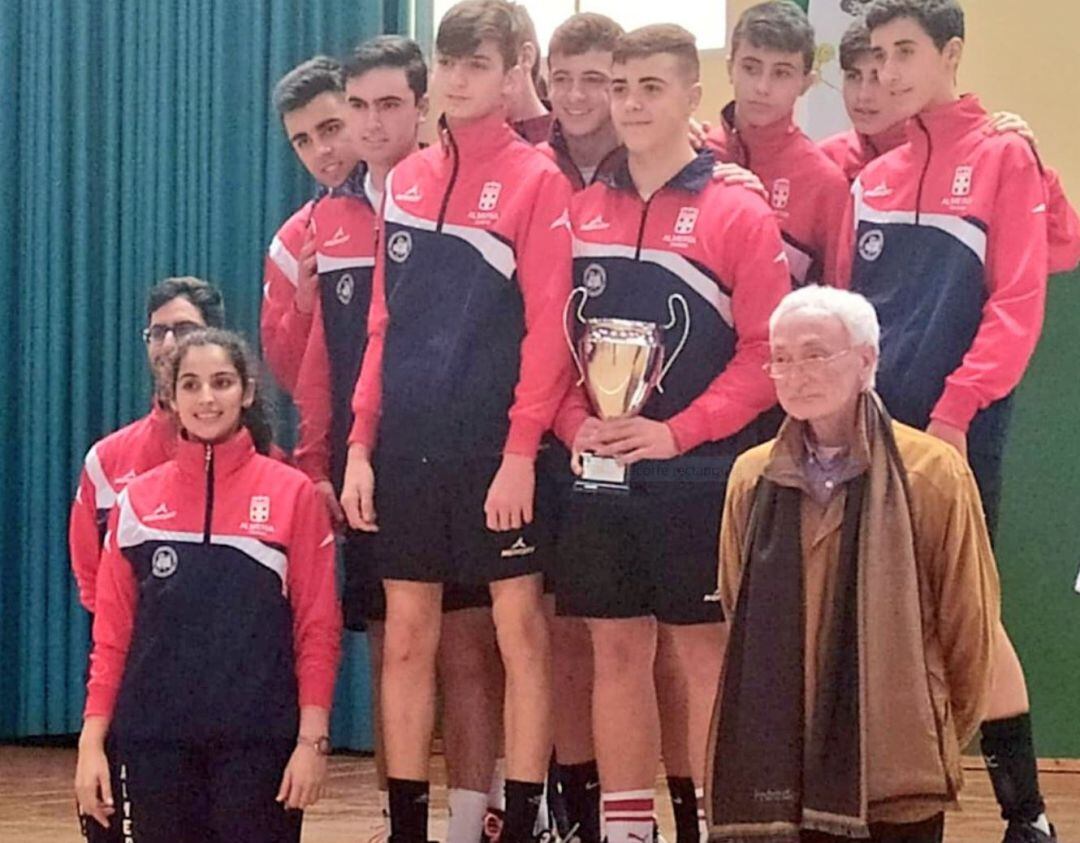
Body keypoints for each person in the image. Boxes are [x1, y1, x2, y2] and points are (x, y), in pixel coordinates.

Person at [338, 2, 574, 842]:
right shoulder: (405, 180)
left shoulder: (539, 178)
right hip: (404, 450)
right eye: (451, 63)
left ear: (514, 74)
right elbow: (380, 324)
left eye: (479, 65)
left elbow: (551, 329)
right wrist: (360, 446)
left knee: (520, 635)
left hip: (494, 450)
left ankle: (522, 814)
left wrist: (519, 452)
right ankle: (411, 825)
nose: (460, 79)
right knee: (404, 638)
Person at [552, 25, 790, 843]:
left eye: (652, 87)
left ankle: (723, 826)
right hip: (599, 477)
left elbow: (767, 355)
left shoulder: (737, 207)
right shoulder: (579, 210)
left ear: (694, 95)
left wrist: (679, 434)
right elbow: (550, 345)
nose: (631, 103)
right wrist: (570, 419)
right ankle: (627, 830)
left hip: (700, 477)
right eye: (621, 88)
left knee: (703, 660)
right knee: (613, 653)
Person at [839, 3, 1058, 839]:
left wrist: (958, 411)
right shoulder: (872, 181)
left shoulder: (1003, 153)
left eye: (906, 54)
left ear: (951, 54)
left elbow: (1023, 298)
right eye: (876, 56)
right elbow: (851, 317)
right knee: (875, 609)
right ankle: (877, 796)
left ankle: (1025, 813)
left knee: (972, 611)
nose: (888, 73)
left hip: (960, 429)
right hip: (868, 428)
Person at [291, 35, 506, 843]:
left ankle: (473, 821)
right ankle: (401, 820)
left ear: (423, 107)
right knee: (394, 653)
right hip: (367, 470)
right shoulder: (318, 224)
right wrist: (321, 460)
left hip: (469, 457)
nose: (369, 123)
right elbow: (306, 364)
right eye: (357, 108)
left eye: (389, 105)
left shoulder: (464, 192)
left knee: (473, 649)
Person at [709, 285, 1000, 843]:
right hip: (782, 756)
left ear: (866, 360)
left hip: (895, 761)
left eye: (816, 354)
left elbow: (970, 624)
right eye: (782, 358)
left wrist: (928, 722)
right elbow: (734, 604)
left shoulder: (931, 473)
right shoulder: (753, 475)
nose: (797, 373)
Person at [74, 329, 342, 842]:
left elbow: (318, 629)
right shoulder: (136, 504)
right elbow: (111, 638)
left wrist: (312, 742)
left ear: (246, 391)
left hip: (260, 745)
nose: (206, 398)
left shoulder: (293, 495)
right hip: (156, 747)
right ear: (170, 398)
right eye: (191, 385)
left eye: (221, 383)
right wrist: (91, 744)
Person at [820, 18, 1080, 274]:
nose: (863, 95)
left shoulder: (985, 154)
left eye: (876, 77)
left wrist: (1037, 173)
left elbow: (1062, 253)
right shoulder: (826, 162)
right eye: (853, 76)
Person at [69, 276, 225, 618]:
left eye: (183, 329)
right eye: (157, 332)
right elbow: (91, 578)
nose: (168, 344)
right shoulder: (107, 461)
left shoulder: (266, 461)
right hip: (141, 663)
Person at [706, 1, 849, 287]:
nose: (762, 87)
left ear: (806, 83)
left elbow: (836, 298)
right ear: (730, 68)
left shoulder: (825, 183)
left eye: (781, 73)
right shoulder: (694, 153)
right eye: (751, 68)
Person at [262, 56, 361, 393]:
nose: (321, 150)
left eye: (331, 128)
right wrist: (304, 306)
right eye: (303, 141)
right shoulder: (292, 243)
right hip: (340, 433)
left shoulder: (427, 204)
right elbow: (286, 375)